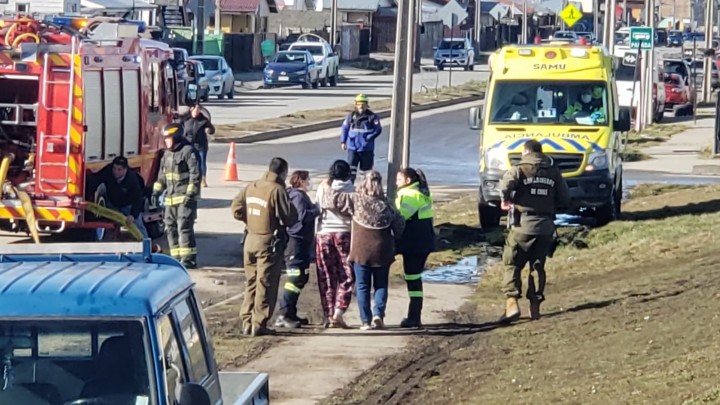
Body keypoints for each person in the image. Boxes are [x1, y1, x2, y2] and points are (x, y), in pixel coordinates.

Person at [322, 170, 404, 330]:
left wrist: (327, 186)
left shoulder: (355, 200)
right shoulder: (386, 205)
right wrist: (396, 238)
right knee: (381, 285)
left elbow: (331, 201)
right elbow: (400, 223)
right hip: (383, 251)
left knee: (362, 286)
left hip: (361, 251)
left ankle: (365, 321)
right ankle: (378, 315)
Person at [499, 139, 570, 322]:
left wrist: (505, 200)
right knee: (537, 265)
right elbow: (565, 198)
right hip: (545, 226)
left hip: (522, 224)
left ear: (525, 152)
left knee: (512, 262)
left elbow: (504, 186)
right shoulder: (554, 173)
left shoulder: (519, 170)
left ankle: (512, 302)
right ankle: (535, 306)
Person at [231, 157, 298, 337]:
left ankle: (246, 320)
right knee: (265, 283)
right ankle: (259, 323)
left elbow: (236, 208)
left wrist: (250, 221)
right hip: (269, 243)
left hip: (250, 239)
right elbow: (290, 217)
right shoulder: (277, 190)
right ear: (283, 172)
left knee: (251, 282)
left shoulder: (252, 186)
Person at [275, 170, 320, 329]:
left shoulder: (296, 195)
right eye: (308, 179)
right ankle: (283, 314)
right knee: (295, 277)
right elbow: (301, 217)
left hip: (302, 244)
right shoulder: (298, 196)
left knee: (301, 277)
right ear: (301, 181)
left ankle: (291, 312)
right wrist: (316, 210)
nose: (309, 182)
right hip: (295, 243)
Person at [152, 123, 201, 268]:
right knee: (170, 229)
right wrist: (156, 191)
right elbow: (162, 177)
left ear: (176, 137)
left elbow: (195, 175)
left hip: (185, 199)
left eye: (168, 138)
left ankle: (188, 259)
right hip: (170, 201)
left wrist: (190, 195)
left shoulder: (188, 152)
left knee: (184, 228)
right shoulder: (166, 155)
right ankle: (176, 258)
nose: (165, 141)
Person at [315, 160, 355, 328]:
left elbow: (317, 208)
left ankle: (328, 314)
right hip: (344, 233)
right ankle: (339, 311)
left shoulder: (323, 188)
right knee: (347, 274)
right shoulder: (353, 190)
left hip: (323, 234)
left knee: (326, 275)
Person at [395, 168, 435, 328]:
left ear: (408, 181)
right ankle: (414, 315)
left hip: (415, 243)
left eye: (399, 179)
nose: (396, 182)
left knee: (412, 278)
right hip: (420, 242)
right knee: (413, 277)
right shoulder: (419, 192)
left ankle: (414, 317)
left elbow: (400, 216)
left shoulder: (411, 195)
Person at [340, 94, 382, 184]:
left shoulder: (372, 117)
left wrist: (368, 138)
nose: (361, 106)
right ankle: (350, 188)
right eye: (359, 104)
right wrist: (343, 141)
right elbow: (345, 128)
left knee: (366, 173)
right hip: (353, 148)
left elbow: (378, 129)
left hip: (366, 149)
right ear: (355, 104)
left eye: (363, 104)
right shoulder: (350, 116)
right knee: (351, 171)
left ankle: (365, 190)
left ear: (367, 105)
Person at [104, 156, 149, 240]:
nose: (115, 172)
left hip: (128, 205)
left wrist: (133, 215)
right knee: (109, 227)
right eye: (114, 168)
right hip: (113, 204)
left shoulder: (132, 180)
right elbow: (96, 180)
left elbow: (138, 198)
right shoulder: (108, 172)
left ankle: (145, 245)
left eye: (119, 169)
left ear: (125, 170)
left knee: (138, 226)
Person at [181, 103, 214, 188]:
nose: (197, 112)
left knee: (201, 162)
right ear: (191, 109)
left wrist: (209, 130)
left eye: (199, 110)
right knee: (188, 162)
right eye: (196, 109)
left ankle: (203, 179)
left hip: (201, 145)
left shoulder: (203, 120)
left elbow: (212, 129)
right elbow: (179, 127)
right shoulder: (185, 119)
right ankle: (188, 179)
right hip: (189, 145)